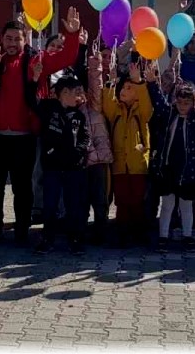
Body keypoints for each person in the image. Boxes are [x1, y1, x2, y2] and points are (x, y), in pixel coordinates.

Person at [0, 0, 82, 246]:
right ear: (1, 39)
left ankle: (21, 230)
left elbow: (66, 57)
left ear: (24, 39)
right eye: (8, 38)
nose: (12, 43)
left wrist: (72, 34)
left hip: (24, 137)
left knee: (22, 188)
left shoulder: (35, 59)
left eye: (16, 39)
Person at [148, 65, 195, 252]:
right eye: (179, 102)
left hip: (190, 170)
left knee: (187, 205)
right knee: (167, 204)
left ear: (193, 102)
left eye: (187, 103)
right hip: (169, 168)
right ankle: (163, 237)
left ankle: (187, 236)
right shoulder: (169, 114)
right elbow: (158, 102)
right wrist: (152, 82)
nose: (182, 106)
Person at [27, 62, 91, 256]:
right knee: (50, 204)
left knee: (73, 205)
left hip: (73, 168)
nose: (78, 96)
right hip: (52, 167)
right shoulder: (48, 108)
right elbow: (30, 100)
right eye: (74, 92)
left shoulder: (79, 115)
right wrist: (34, 80)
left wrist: (78, 152)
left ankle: (75, 239)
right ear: (63, 93)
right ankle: (48, 238)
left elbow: (85, 137)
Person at [101, 62, 153, 247]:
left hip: (138, 164)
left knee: (138, 199)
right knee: (121, 200)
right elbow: (107, 103)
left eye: (129, 88)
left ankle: (138, 231)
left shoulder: (142, 111)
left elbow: (147, 104)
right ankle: (122, 232)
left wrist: (138, 81)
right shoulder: (116, 110)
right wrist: (111, 82)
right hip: (119, 165)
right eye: (123, 87)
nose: (124, 90)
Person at [82, 47, 113, 246]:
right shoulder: (72, 110)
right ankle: (81, 231)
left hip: (100, 159)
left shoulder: (94, 106)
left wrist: (95, 65)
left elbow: (96, 83)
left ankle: (101, 231)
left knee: (101, 198)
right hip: (82, 160)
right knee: (82, 198)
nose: (80, 95)